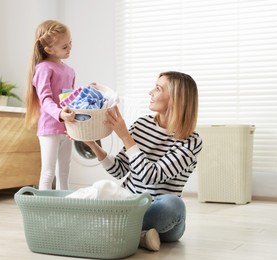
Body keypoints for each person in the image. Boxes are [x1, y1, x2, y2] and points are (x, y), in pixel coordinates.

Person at [83, 71, 203, 251]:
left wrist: (124, 135)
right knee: (100, 189)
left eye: (158, 89)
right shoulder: (142, 125)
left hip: (162, 218)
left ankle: (115, 229)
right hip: (130, 206)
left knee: (173, 204)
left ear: (175, 99)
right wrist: (91, 144)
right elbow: (120, 170)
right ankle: (137, 236)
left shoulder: (191, 142)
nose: (150, 92)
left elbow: (150, 176)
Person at [25, 20, 76, 190]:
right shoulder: (44, 68)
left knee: (64, 172)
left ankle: (65, 208)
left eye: (70, 44)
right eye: (64, 47)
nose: (69, 48)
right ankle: (44, 212)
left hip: (67, 127)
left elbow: (71, 99)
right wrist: (61, 114)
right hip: (49, 128)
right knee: (48, 173)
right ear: (49, 49)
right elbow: (45, 100)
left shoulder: (70, 71)